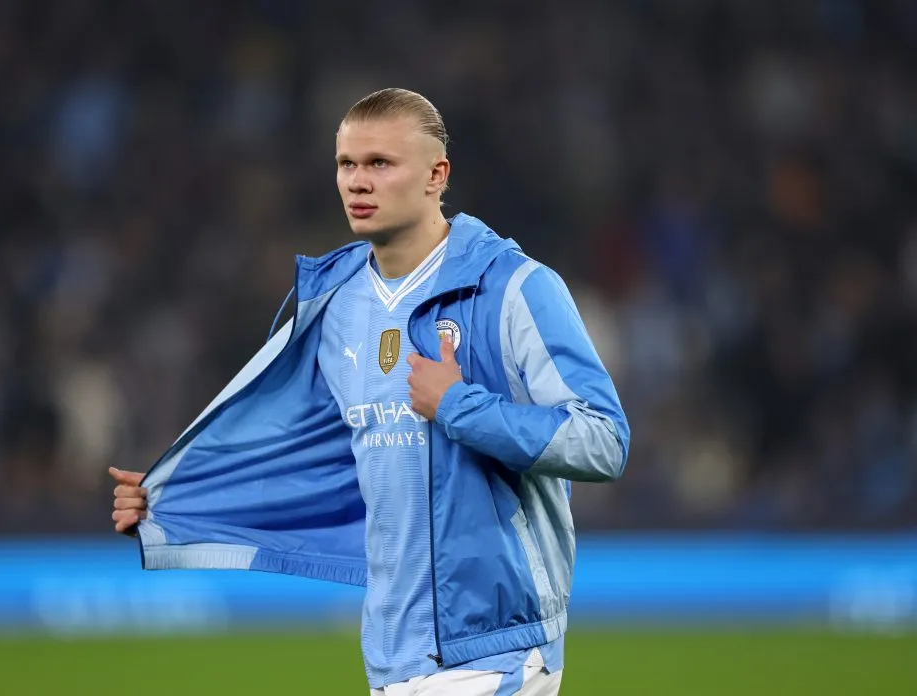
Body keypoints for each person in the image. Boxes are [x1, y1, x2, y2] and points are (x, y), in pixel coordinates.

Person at [109, 87, 630, 696]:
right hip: (391, 658)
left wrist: (461, 407)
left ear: (437, 175)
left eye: (380, 163)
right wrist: (174, 498)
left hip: (498, 652)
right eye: (346, 164)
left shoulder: (517, 289)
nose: (358, 182)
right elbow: (316, 458)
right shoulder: (337, 307)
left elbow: (604, 439)